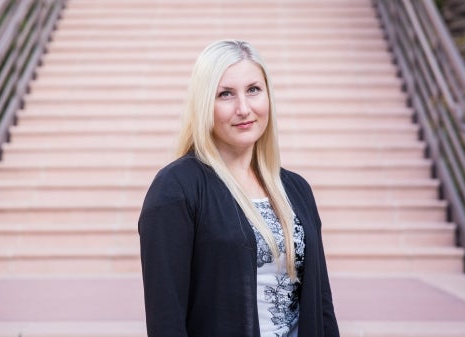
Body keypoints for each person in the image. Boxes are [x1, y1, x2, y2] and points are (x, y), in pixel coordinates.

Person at [138, 39, 339, 337]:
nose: (243, 109)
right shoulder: (177, 188)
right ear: (204, 103)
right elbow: (166, 318)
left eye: (253, 90)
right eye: (225, 94)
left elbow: (322, 303)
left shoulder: (296, 190)